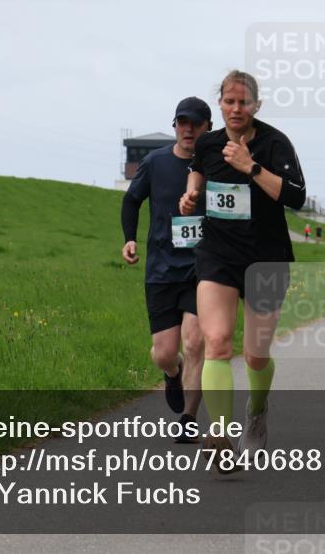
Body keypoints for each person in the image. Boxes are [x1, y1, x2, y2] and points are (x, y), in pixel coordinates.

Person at [179, 70, 306, 471]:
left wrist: (252, 167)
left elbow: (296, 197)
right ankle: (220, 434)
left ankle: (258, 409)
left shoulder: (274, 143)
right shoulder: (209, 144)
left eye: (244, 102)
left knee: (254, 355)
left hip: (266, 257)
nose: (236, 109)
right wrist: (192, 194)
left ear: (256, 105)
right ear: (220, 104)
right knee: (216, 342)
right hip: (218, 254)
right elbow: (198, 170)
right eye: (229, 102)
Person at [121, 97, 212, 443]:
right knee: (163, 352)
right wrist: (129, 239)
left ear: (208, 128)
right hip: (161, 269)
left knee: (194, 342)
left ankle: (188, 418)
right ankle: (172, 373)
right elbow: (132, 200)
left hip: (202, 269)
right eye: (182, 123)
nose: (188, 129)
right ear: (175, 126)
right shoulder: (155, 162)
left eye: (195, 123)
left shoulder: (215, 166)